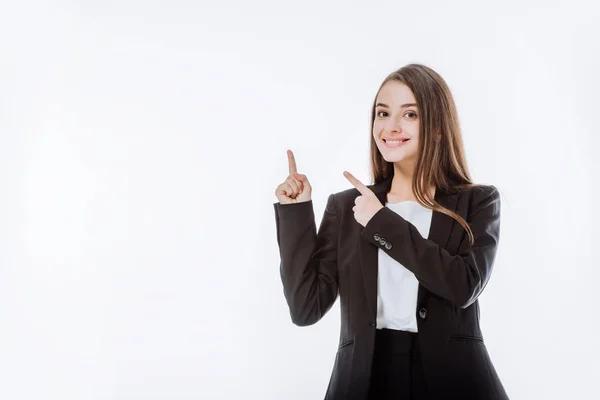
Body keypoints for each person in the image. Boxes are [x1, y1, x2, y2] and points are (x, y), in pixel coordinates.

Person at [273, 63, 509, 400]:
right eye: (382, 113)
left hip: (453, 382)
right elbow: (306, 308)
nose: (391, 126)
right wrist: (295, 211)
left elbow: (463, 286)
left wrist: (382, 222)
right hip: (366, 379)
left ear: (438, 127)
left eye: (410, 115)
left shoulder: (478, 201)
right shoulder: (346, 207)